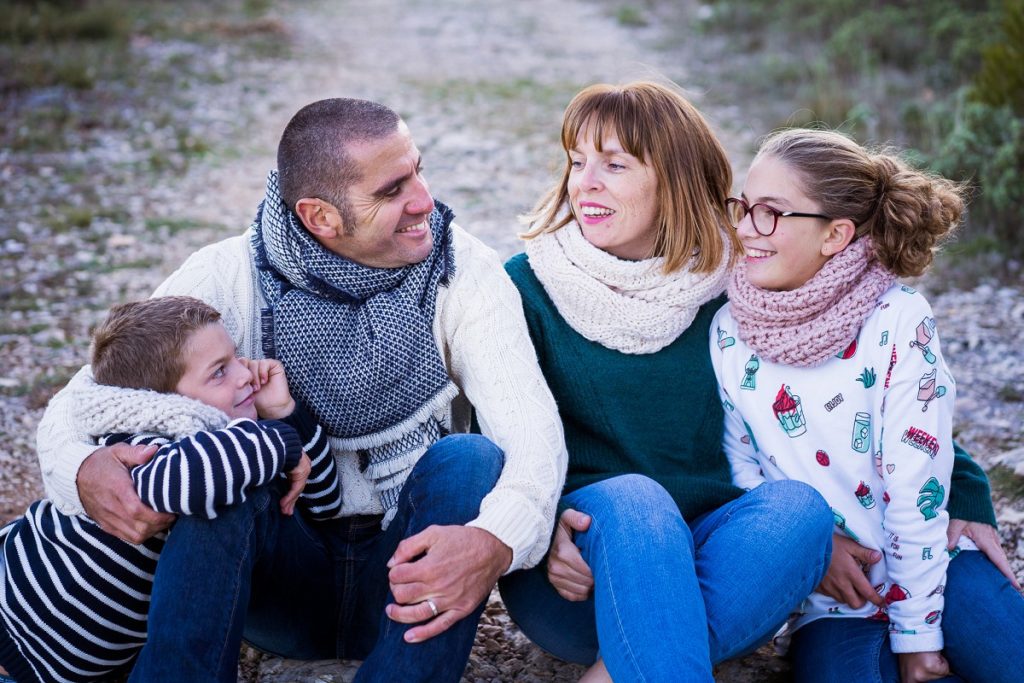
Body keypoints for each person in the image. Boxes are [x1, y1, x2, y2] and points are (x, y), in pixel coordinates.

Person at [35, 99, 567, 682]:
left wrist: (495, 540)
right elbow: (85, 400)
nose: (424, 201)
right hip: (270, 583)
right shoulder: (229, 274)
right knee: (228, 468)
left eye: (418, 169)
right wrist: (82, 470)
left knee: (471, 459)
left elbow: (533, 436)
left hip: (402, 577)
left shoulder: (461, 268)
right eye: (391, 191)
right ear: (318, 216)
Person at [497, 81, 1007, 683]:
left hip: (720, 570)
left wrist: (967, 492)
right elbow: (504, 441)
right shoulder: (526, 288)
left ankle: (627, 667)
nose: (585, 183)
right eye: (577, 162)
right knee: (636, 497)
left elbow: (891, 389)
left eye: (614, 164)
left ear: (676, 182)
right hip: (578, 573)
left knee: (800, 509)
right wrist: (542, 525)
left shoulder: (737, 290)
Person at [712, 128, 1024, 683]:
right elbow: (740, 470)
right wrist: (806, 549)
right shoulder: (728, 332)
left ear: (835, 234)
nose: (745, 230)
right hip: (833, 601)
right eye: (743, 207)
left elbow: (915, 487)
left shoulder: (897, 319)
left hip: (938, 573)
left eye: (771, 213)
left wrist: (917, 634)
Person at [0, 296, 342, 682]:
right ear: (164, 400)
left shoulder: (236, 449)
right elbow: (182, 480)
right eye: (219, 372)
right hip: (15, 630)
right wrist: (277, 440)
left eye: (234, 359)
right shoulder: (142, 446)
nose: (244, 374)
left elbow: (325, 503)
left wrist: (284, 414)